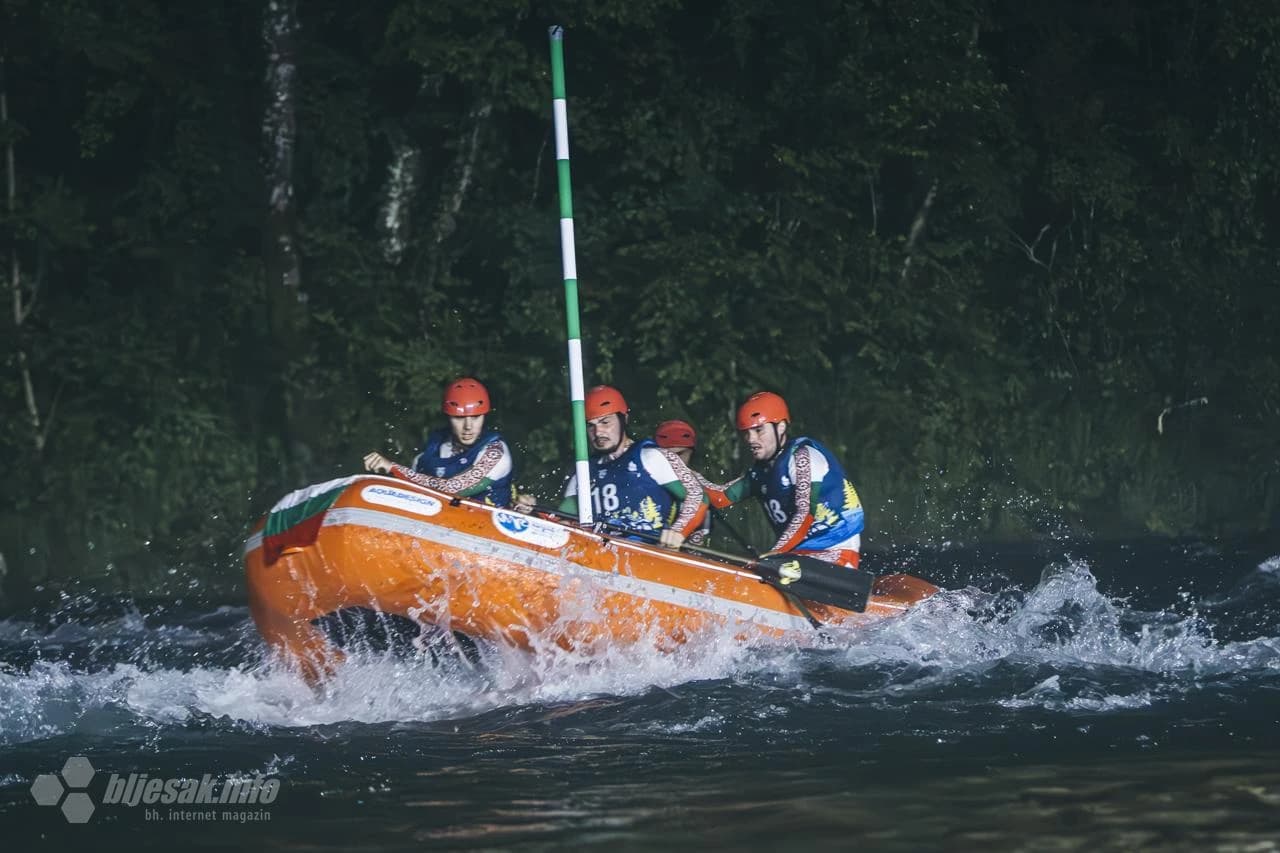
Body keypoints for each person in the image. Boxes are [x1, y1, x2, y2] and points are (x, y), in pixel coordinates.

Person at [703, 391, 865, 569]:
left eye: (758, 430)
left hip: (836, 552)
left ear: (780, 427)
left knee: (771, 569)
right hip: (796, 556)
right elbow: (718, 497)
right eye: (746, 433)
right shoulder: (759, 473)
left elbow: (805, 514)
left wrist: (775, 554)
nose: (751, 439)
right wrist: (677, 471)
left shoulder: (803, 458)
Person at [551, 386, 706, 549]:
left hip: (651, 554)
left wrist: (679, 531)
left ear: (623, 419)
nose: (598, 432)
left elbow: (699, 496)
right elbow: (560, 519)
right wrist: (529, 510)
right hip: (605, 556)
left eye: (605, 422)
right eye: (591, 426)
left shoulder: (651, 457)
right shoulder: (584, 473)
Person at [363, 377, 515, 507]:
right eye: (459, 418)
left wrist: (393, 468)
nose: (468, 427)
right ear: (448, 417)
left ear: (484, 416)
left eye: (476, 417)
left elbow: (451, 488)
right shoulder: (432, 451)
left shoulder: (496, 453)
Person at [653, 419, 712, 545]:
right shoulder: (645, 477)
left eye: (679, 455)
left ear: (692, 452)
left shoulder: (700, 483)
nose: (674, 462)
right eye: (667, 456)